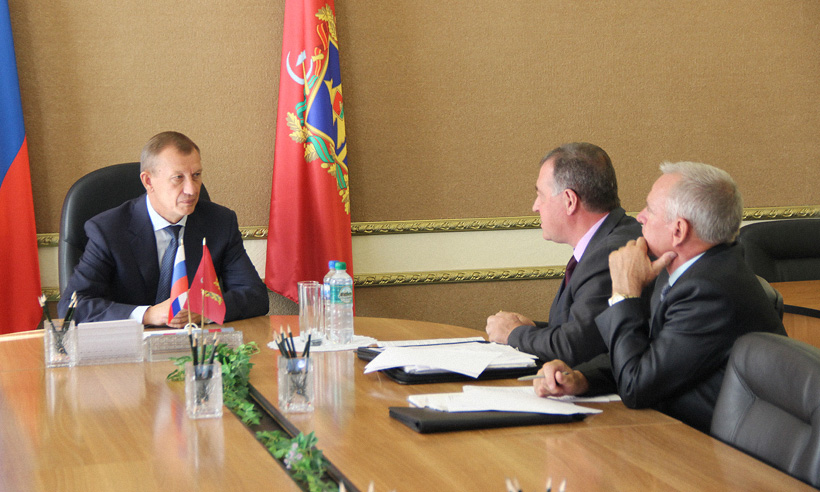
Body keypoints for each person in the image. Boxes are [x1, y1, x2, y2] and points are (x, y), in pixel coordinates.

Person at [533, 161, 787, 433]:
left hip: (709, 446)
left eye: (650, 209)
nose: (640, 217)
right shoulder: (688, 270)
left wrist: (624, 294)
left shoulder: (709, 291)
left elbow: (636, 387)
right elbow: (652, 354)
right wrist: (581, 378)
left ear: (678, 230)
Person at [58, 131, 269, 327]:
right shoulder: (108, 230)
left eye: (196, 175)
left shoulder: (220, 222)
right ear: (148, 181)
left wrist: (206, 309)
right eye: (178, 178)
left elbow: (255, 296)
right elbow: (70, 307)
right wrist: (147, 314)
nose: (192, 189)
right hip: (130, 346)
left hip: (196, 345)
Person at [485, 142, 642, 365]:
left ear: (569, 201)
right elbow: (587, 332)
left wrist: (513, 333)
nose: (535, 206)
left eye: (541, 195)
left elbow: (576, 348)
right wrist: (531, 329)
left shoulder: (610, 252)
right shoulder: (607, 239)